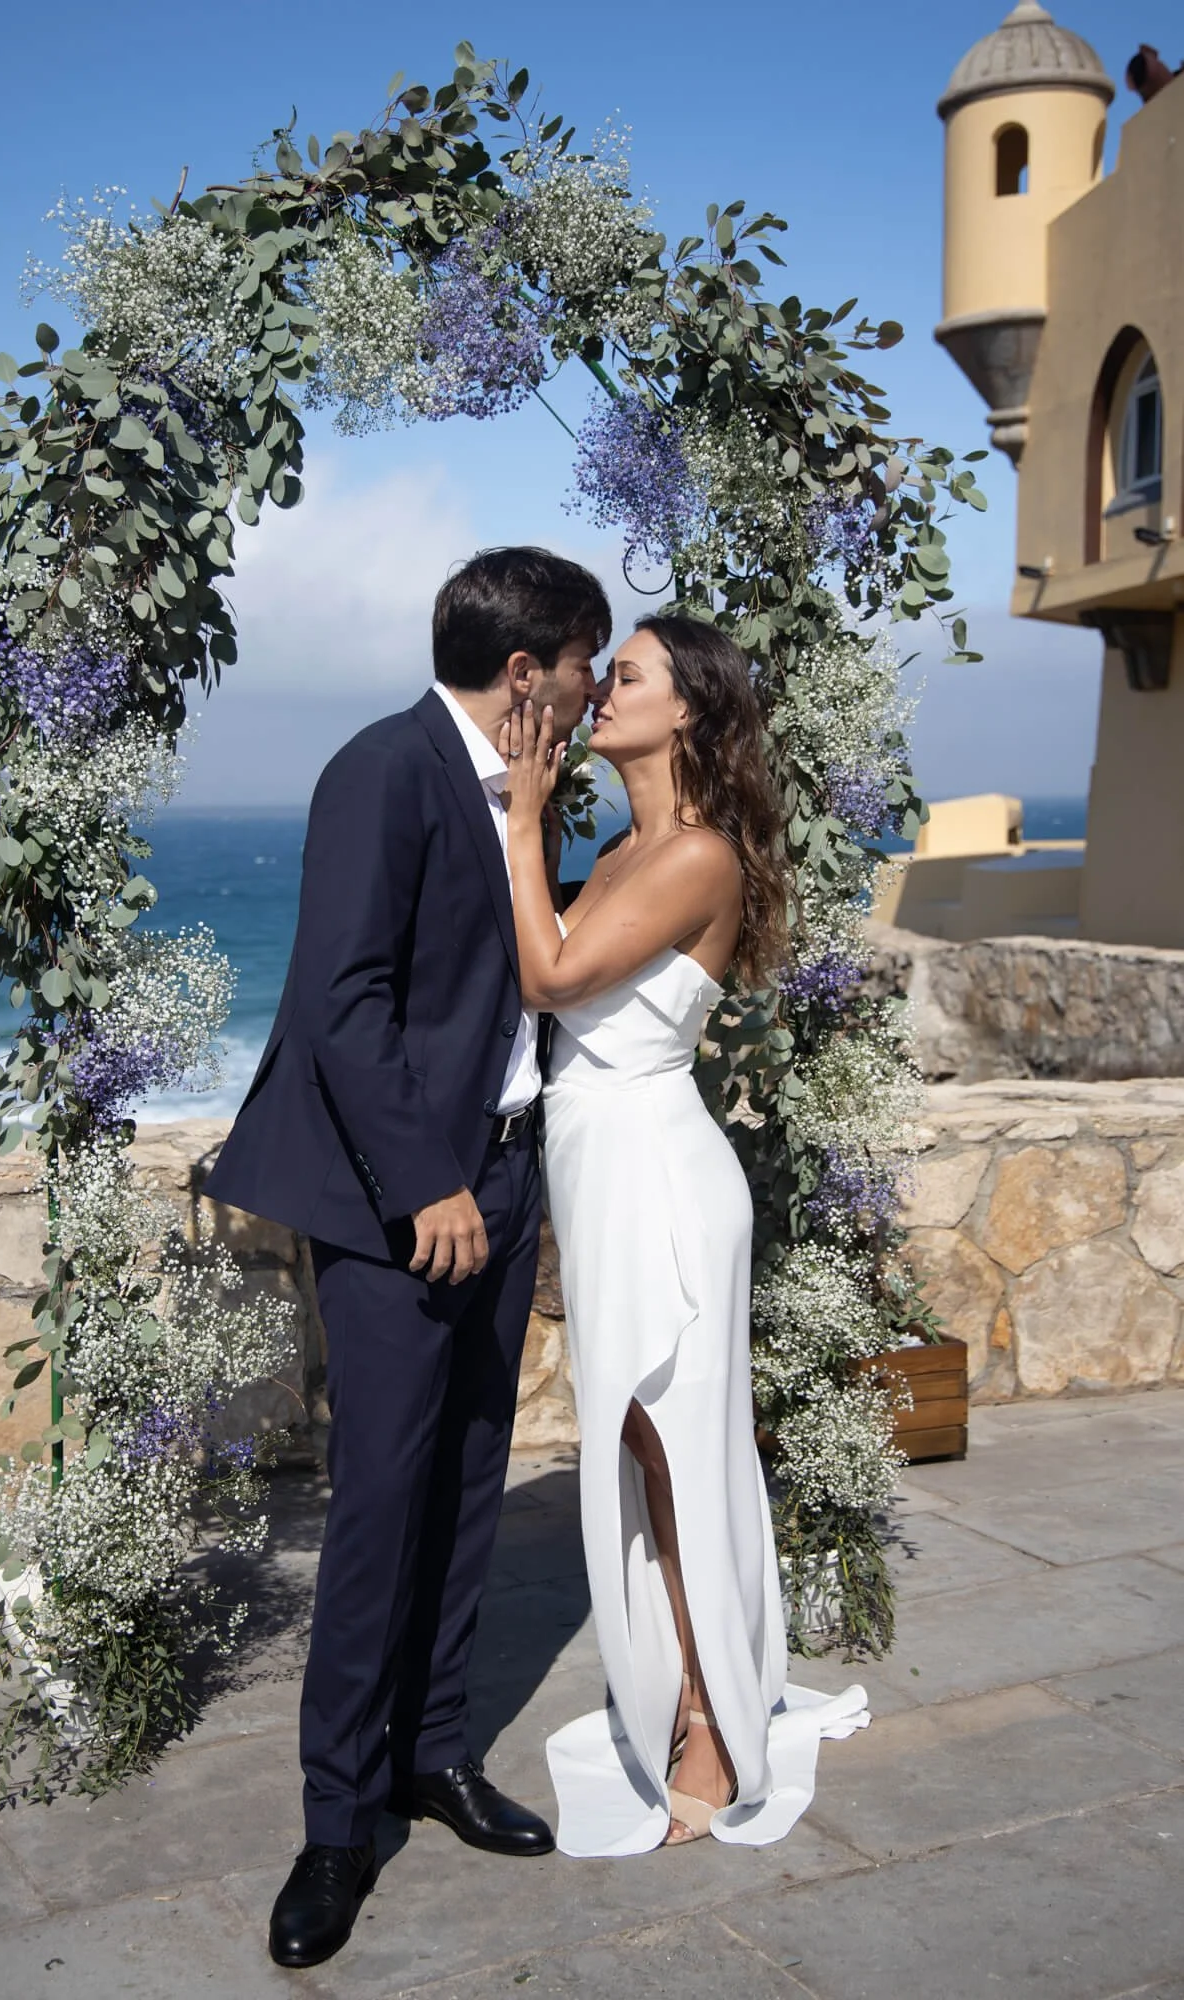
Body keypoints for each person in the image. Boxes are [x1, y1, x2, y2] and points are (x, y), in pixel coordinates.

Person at [205, 547, 610, 1965]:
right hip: (406, 1203)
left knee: (470, 1475)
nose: (593, 686)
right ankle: (335, 1824)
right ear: (525, 673)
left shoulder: (524, 790)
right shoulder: (381, 769)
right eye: (584, 664)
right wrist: (427, 1180)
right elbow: (339, 1000)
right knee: (380, 1504)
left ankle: (433, 1756)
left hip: (502, 1176)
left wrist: (506, 1167)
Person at [500, 613, 869, 1856]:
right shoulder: (618, 849)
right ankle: (687, 1687)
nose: (603, 687)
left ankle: (710, 1716)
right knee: (643, 1459)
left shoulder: (698, 855)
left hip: (658, 1176)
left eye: (633, 673)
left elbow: (549, 979)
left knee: (678, 1456)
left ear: (693, 713)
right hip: (598, 1168)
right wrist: (544, 828)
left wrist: (517, 815)